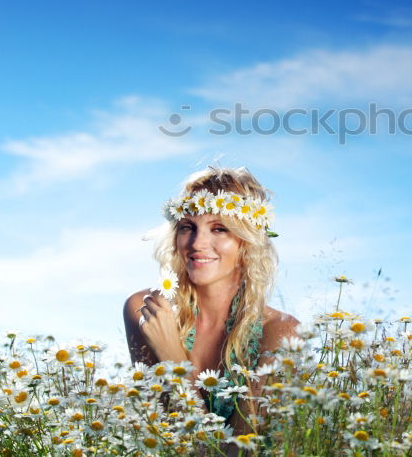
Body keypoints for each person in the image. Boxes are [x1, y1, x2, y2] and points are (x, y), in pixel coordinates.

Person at [123, 166, 299, 434]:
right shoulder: (147, 310)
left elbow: (240, 452)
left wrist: (171, 357)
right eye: (187, 227)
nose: (197, 243)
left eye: (219, 229)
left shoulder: (281, 332)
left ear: (247, 241)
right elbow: (160, 432)